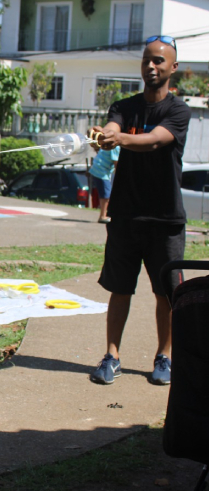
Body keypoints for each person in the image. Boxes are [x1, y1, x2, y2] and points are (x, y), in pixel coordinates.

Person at [87, 35, 191, 386]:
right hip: (126, 216)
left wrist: (121, 139)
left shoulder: (178, 111)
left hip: (165, 220)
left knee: (167, 294)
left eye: (159, 61)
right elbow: (113, 126)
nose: (151, 66)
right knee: (120, 289)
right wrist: (104, 134)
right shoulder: (124, 106)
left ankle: (165, 356)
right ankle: (112, 356)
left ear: (172, 68)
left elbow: (156, 140)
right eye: (147, 59)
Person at [88, 144, 120, 223]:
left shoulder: (112, 144)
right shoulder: (115, 147)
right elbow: (116, 163)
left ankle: (103, 212)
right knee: (106, 195)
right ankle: (102, 216)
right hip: (101, 171)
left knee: (105, 194)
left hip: (98, 169)